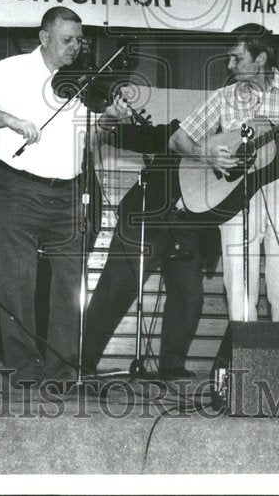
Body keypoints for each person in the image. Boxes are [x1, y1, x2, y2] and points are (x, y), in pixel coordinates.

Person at [0, 6, 127, 386]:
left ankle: (63, 371)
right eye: (68, 40)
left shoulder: (81, 82)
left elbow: (90, 138)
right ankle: (25, 369)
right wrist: (11, 119)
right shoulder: (11, 69)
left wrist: (109, 120)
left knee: (70, 285)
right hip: (18, 188)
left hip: (69, 190)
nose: (76, 48)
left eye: (80, 41)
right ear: (44, 37)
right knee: (17, 281)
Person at [170, 26, 279, 323]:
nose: (230, 65)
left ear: (261, 57)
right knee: (238, 286)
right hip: (234, 194)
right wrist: (206, 153)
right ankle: (243, 360)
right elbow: (178, 139)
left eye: (237, 59)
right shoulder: (223, 97)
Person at [82, 109, 220, 380]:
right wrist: (112, 130)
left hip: (187, 228)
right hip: (145, 216)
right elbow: (150, 136)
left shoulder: (240, 151)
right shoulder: (189, 127)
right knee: (114, 289)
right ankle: (82, 360)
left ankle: (172, 364)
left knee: (189, 295)